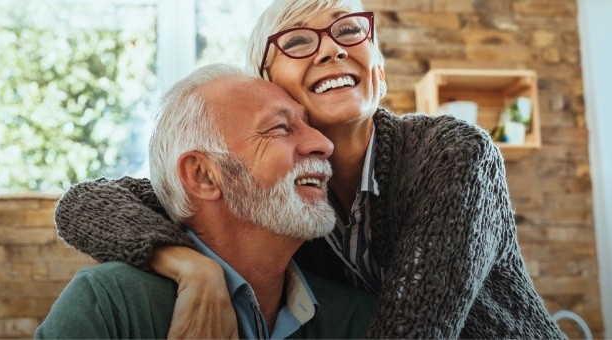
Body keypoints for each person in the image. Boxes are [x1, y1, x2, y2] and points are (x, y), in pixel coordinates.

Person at [53, 0, 566, 338]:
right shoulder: (280, 199)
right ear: (268, 84)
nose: (334, 46)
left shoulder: (452, 155)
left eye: (348, 30)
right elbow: (87, 204)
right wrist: (192, 266)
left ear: (379, 74)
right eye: (298, 41)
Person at [36, 64, 376, 339]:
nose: (322, 143)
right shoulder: (111, 305)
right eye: (281, 128)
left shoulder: (357, 319)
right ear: (203, 176)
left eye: (309, 125)